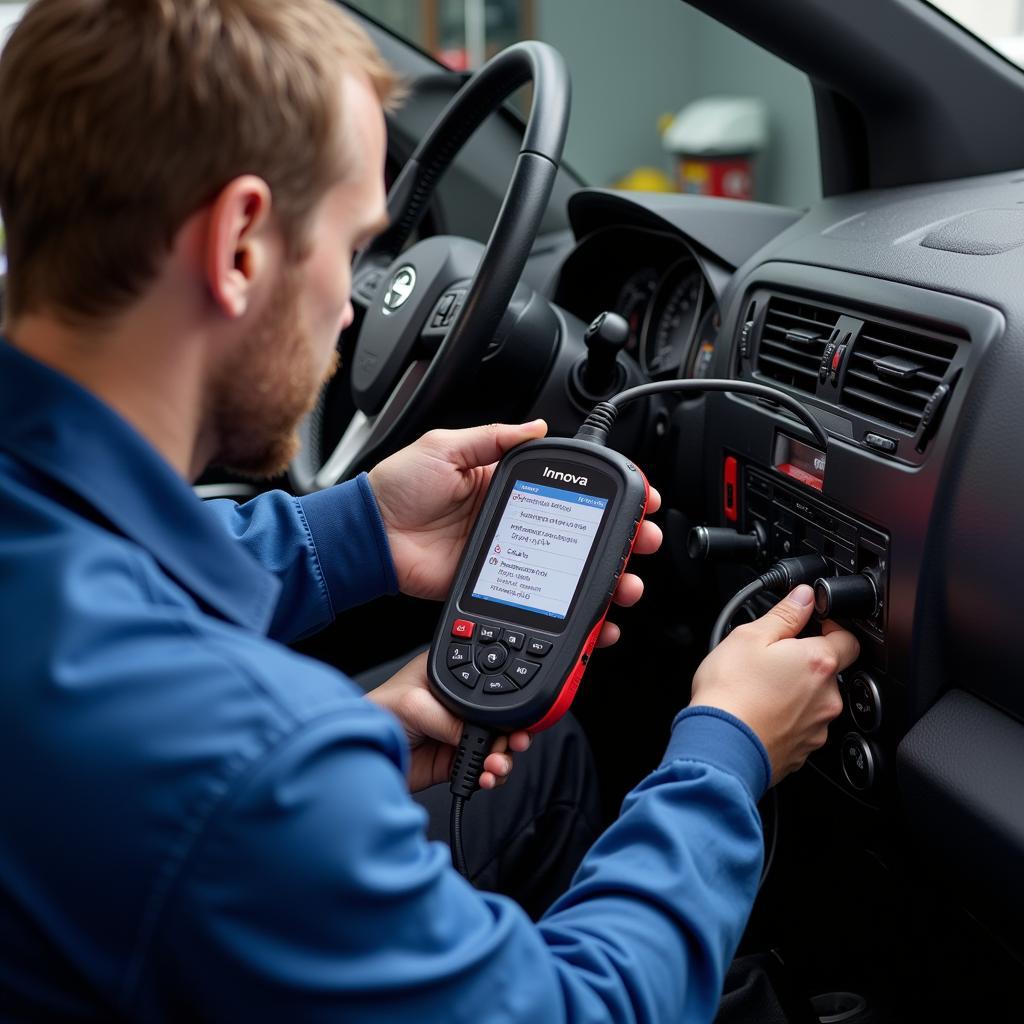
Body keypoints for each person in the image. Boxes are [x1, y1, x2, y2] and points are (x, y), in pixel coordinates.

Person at [0, 1, 859, 1020]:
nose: (358, 308)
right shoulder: (247, 760)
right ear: (237, 245)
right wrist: (725, 752)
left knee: (547, 763)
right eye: (353, 244)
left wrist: (359, 530)